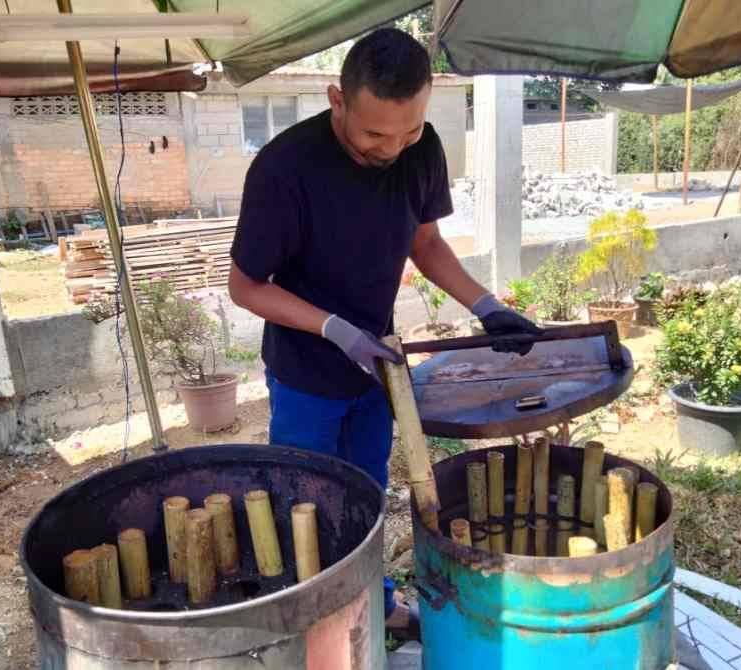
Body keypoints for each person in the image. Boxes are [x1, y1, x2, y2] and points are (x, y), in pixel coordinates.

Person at [228, 27, 541, 640]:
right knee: (306, 508)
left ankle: (377, 606)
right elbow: (246, 286)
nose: (394, 147)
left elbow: (426, 243)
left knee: (367, 497)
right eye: (375, 133)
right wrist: (334, 328)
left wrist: (486, 306)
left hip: (378, 366)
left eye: (410, 129)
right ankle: (310, 631)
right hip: (305, 375)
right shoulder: (284, 169)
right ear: (336, 100)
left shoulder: (421, 150)